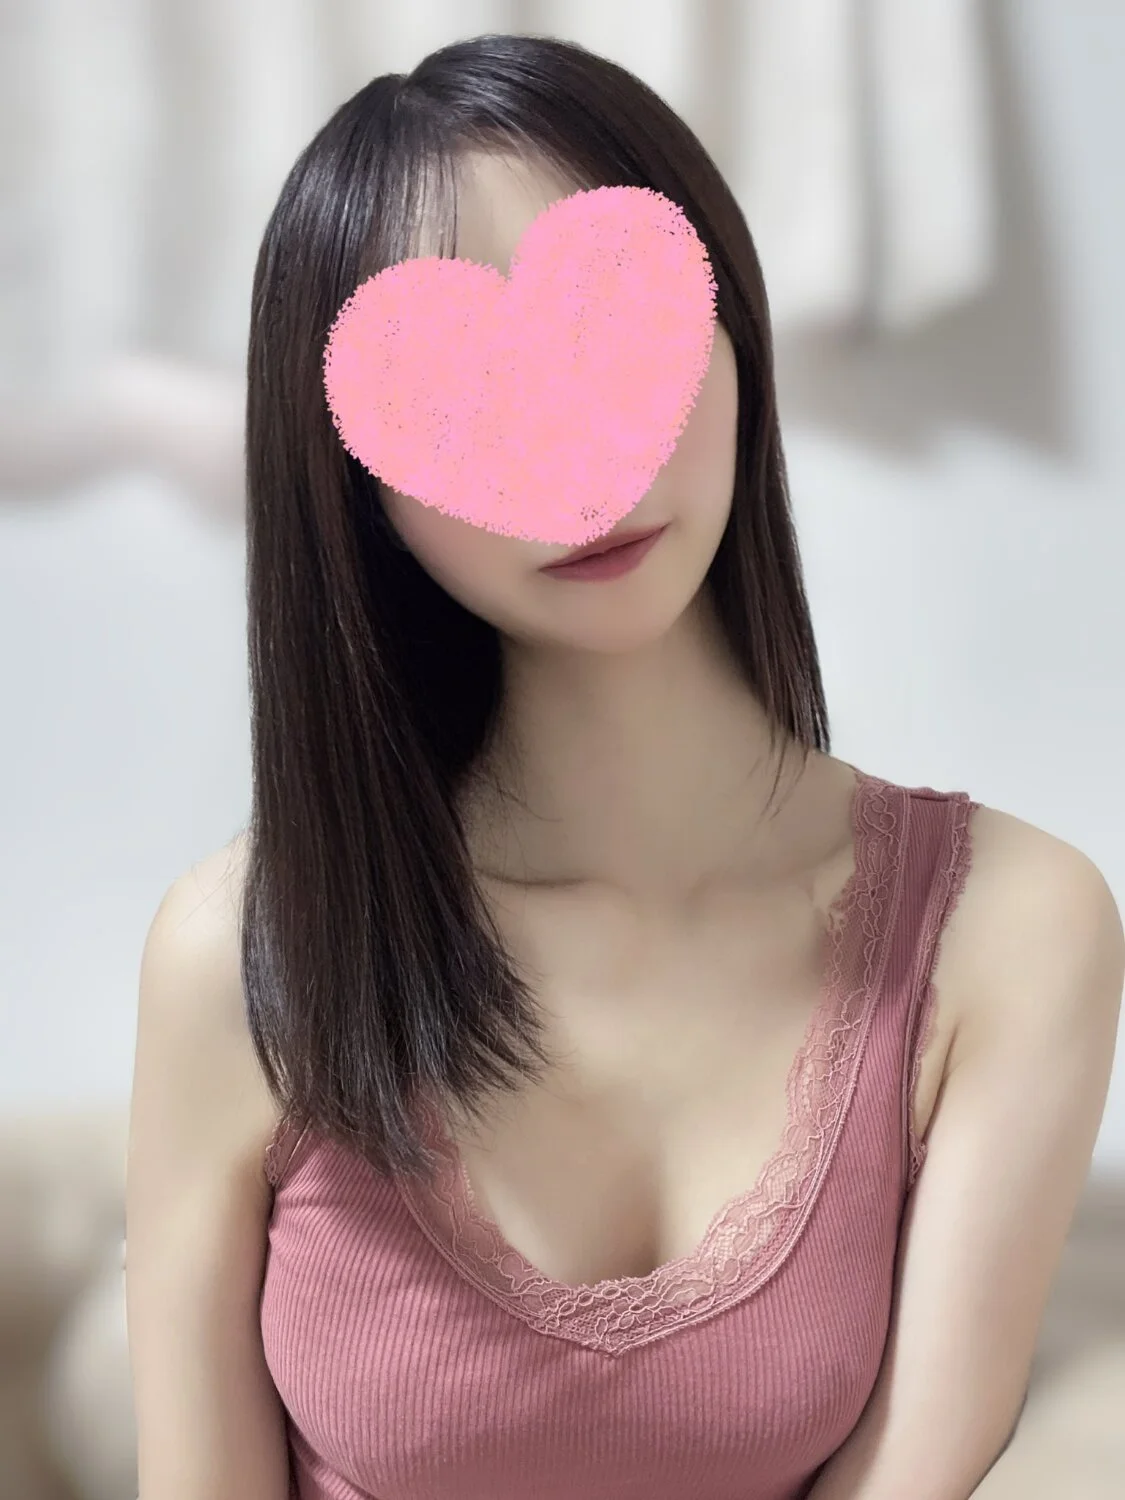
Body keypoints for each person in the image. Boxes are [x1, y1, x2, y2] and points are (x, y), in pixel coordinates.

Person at [124, 32, 1123, 1500]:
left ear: (734, 338)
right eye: (459, 398)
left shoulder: (1014, 930)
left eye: (618, 336)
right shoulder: (244, 951)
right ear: (357, 489)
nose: (578, 463)